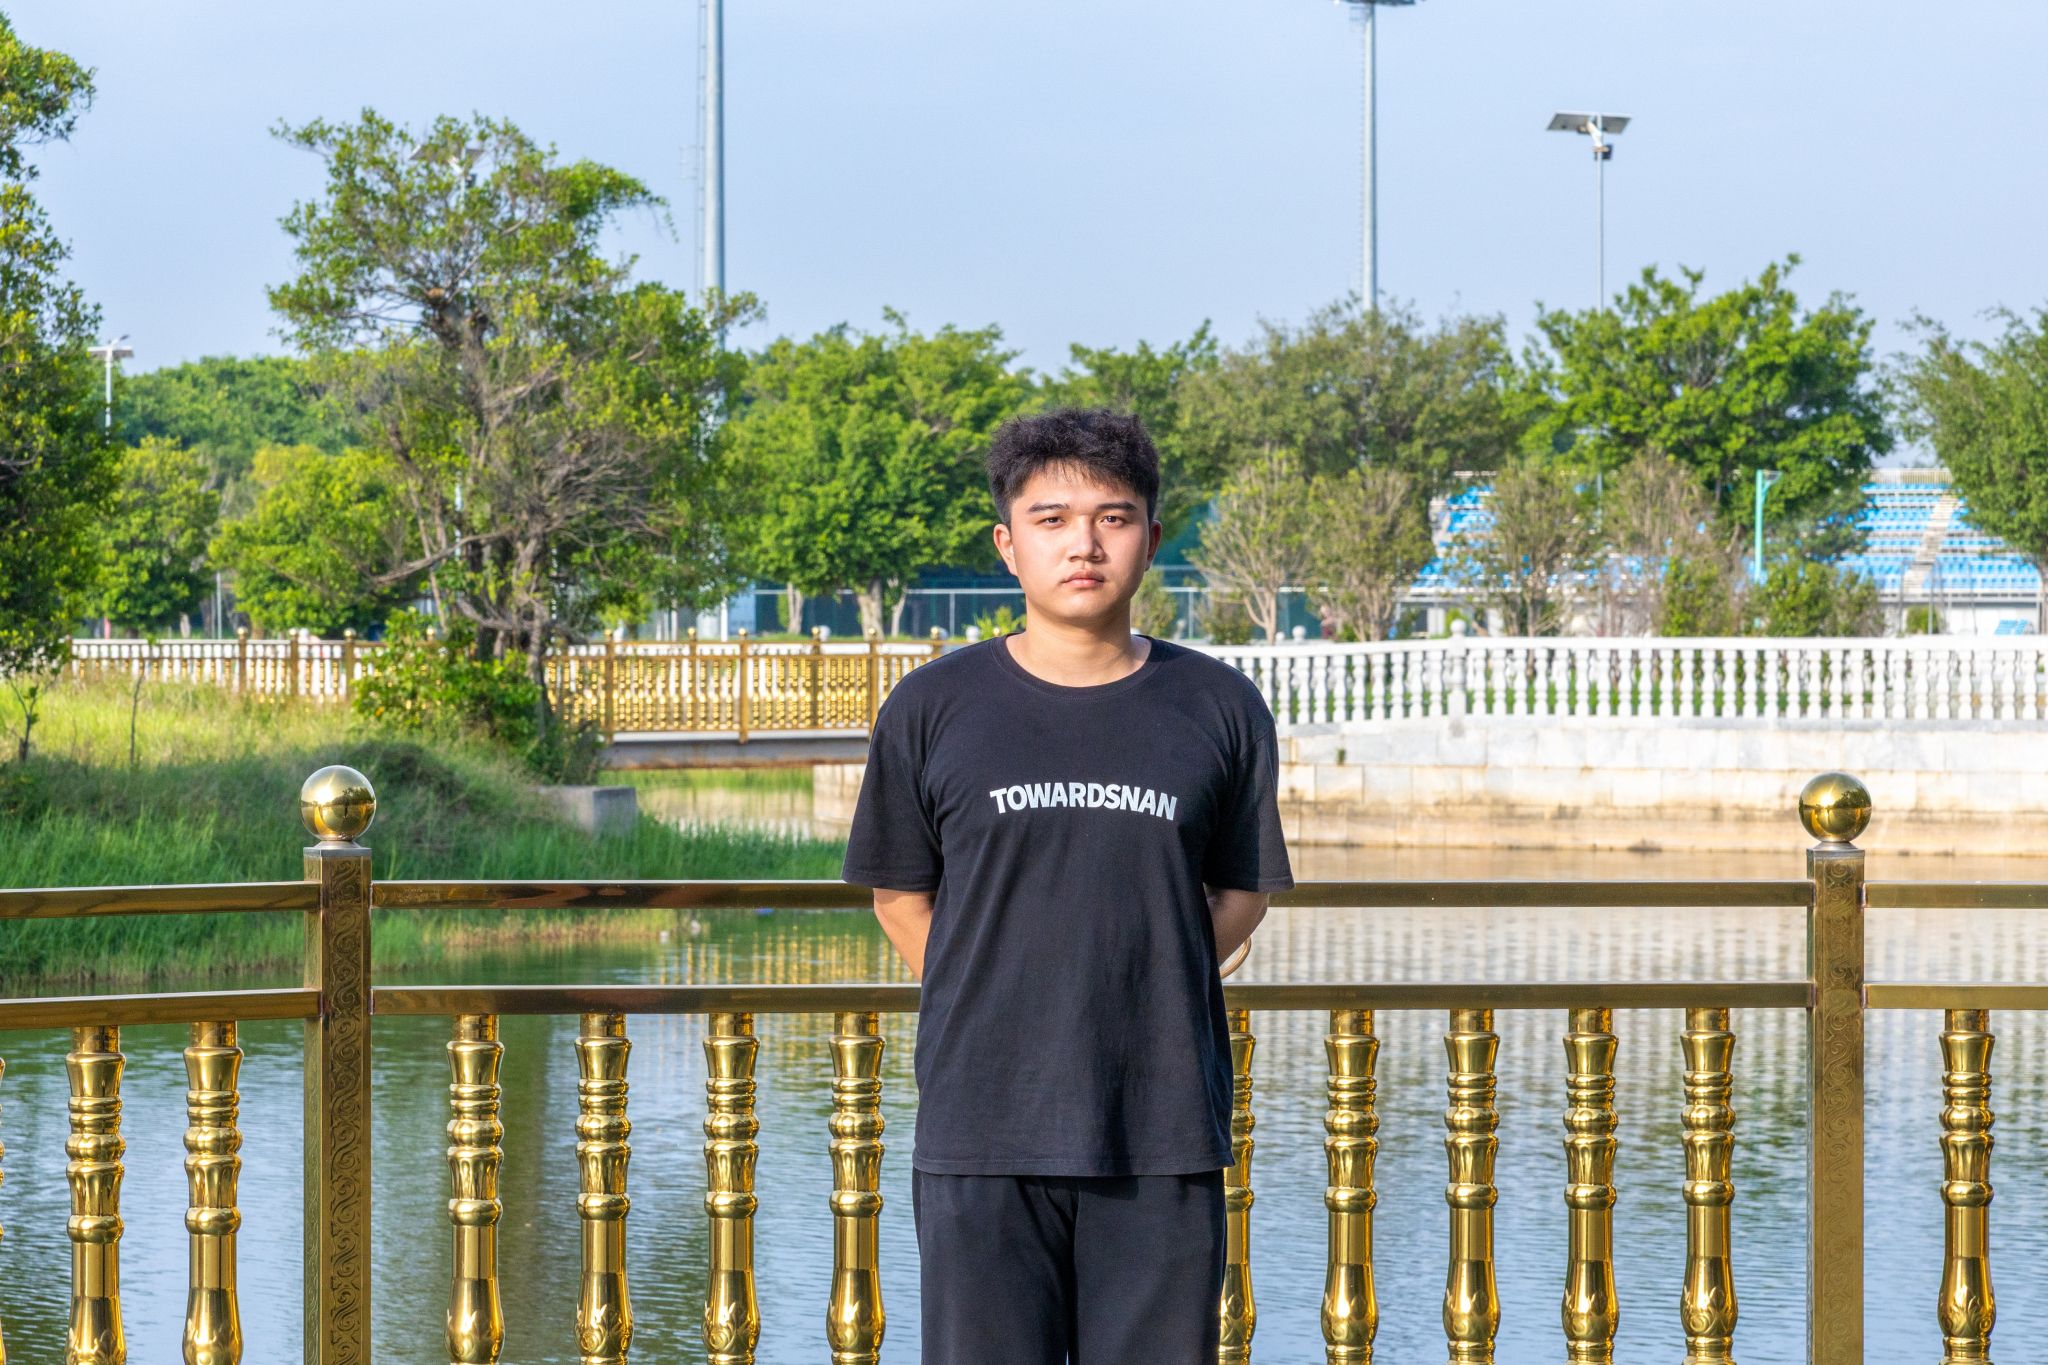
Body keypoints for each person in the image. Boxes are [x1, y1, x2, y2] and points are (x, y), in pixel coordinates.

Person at [841, 408, 1293, 1364]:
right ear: (1008, 545)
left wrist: (1141, 972)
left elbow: (1241, 891)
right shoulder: (931, 707)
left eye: (1112, 518)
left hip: (1162, 1126)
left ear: (1152, 539)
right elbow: (899, 896)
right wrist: (998, 989)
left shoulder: (1220, 707)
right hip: (982, 1127)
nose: (1083, 544)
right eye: (1050, 519)